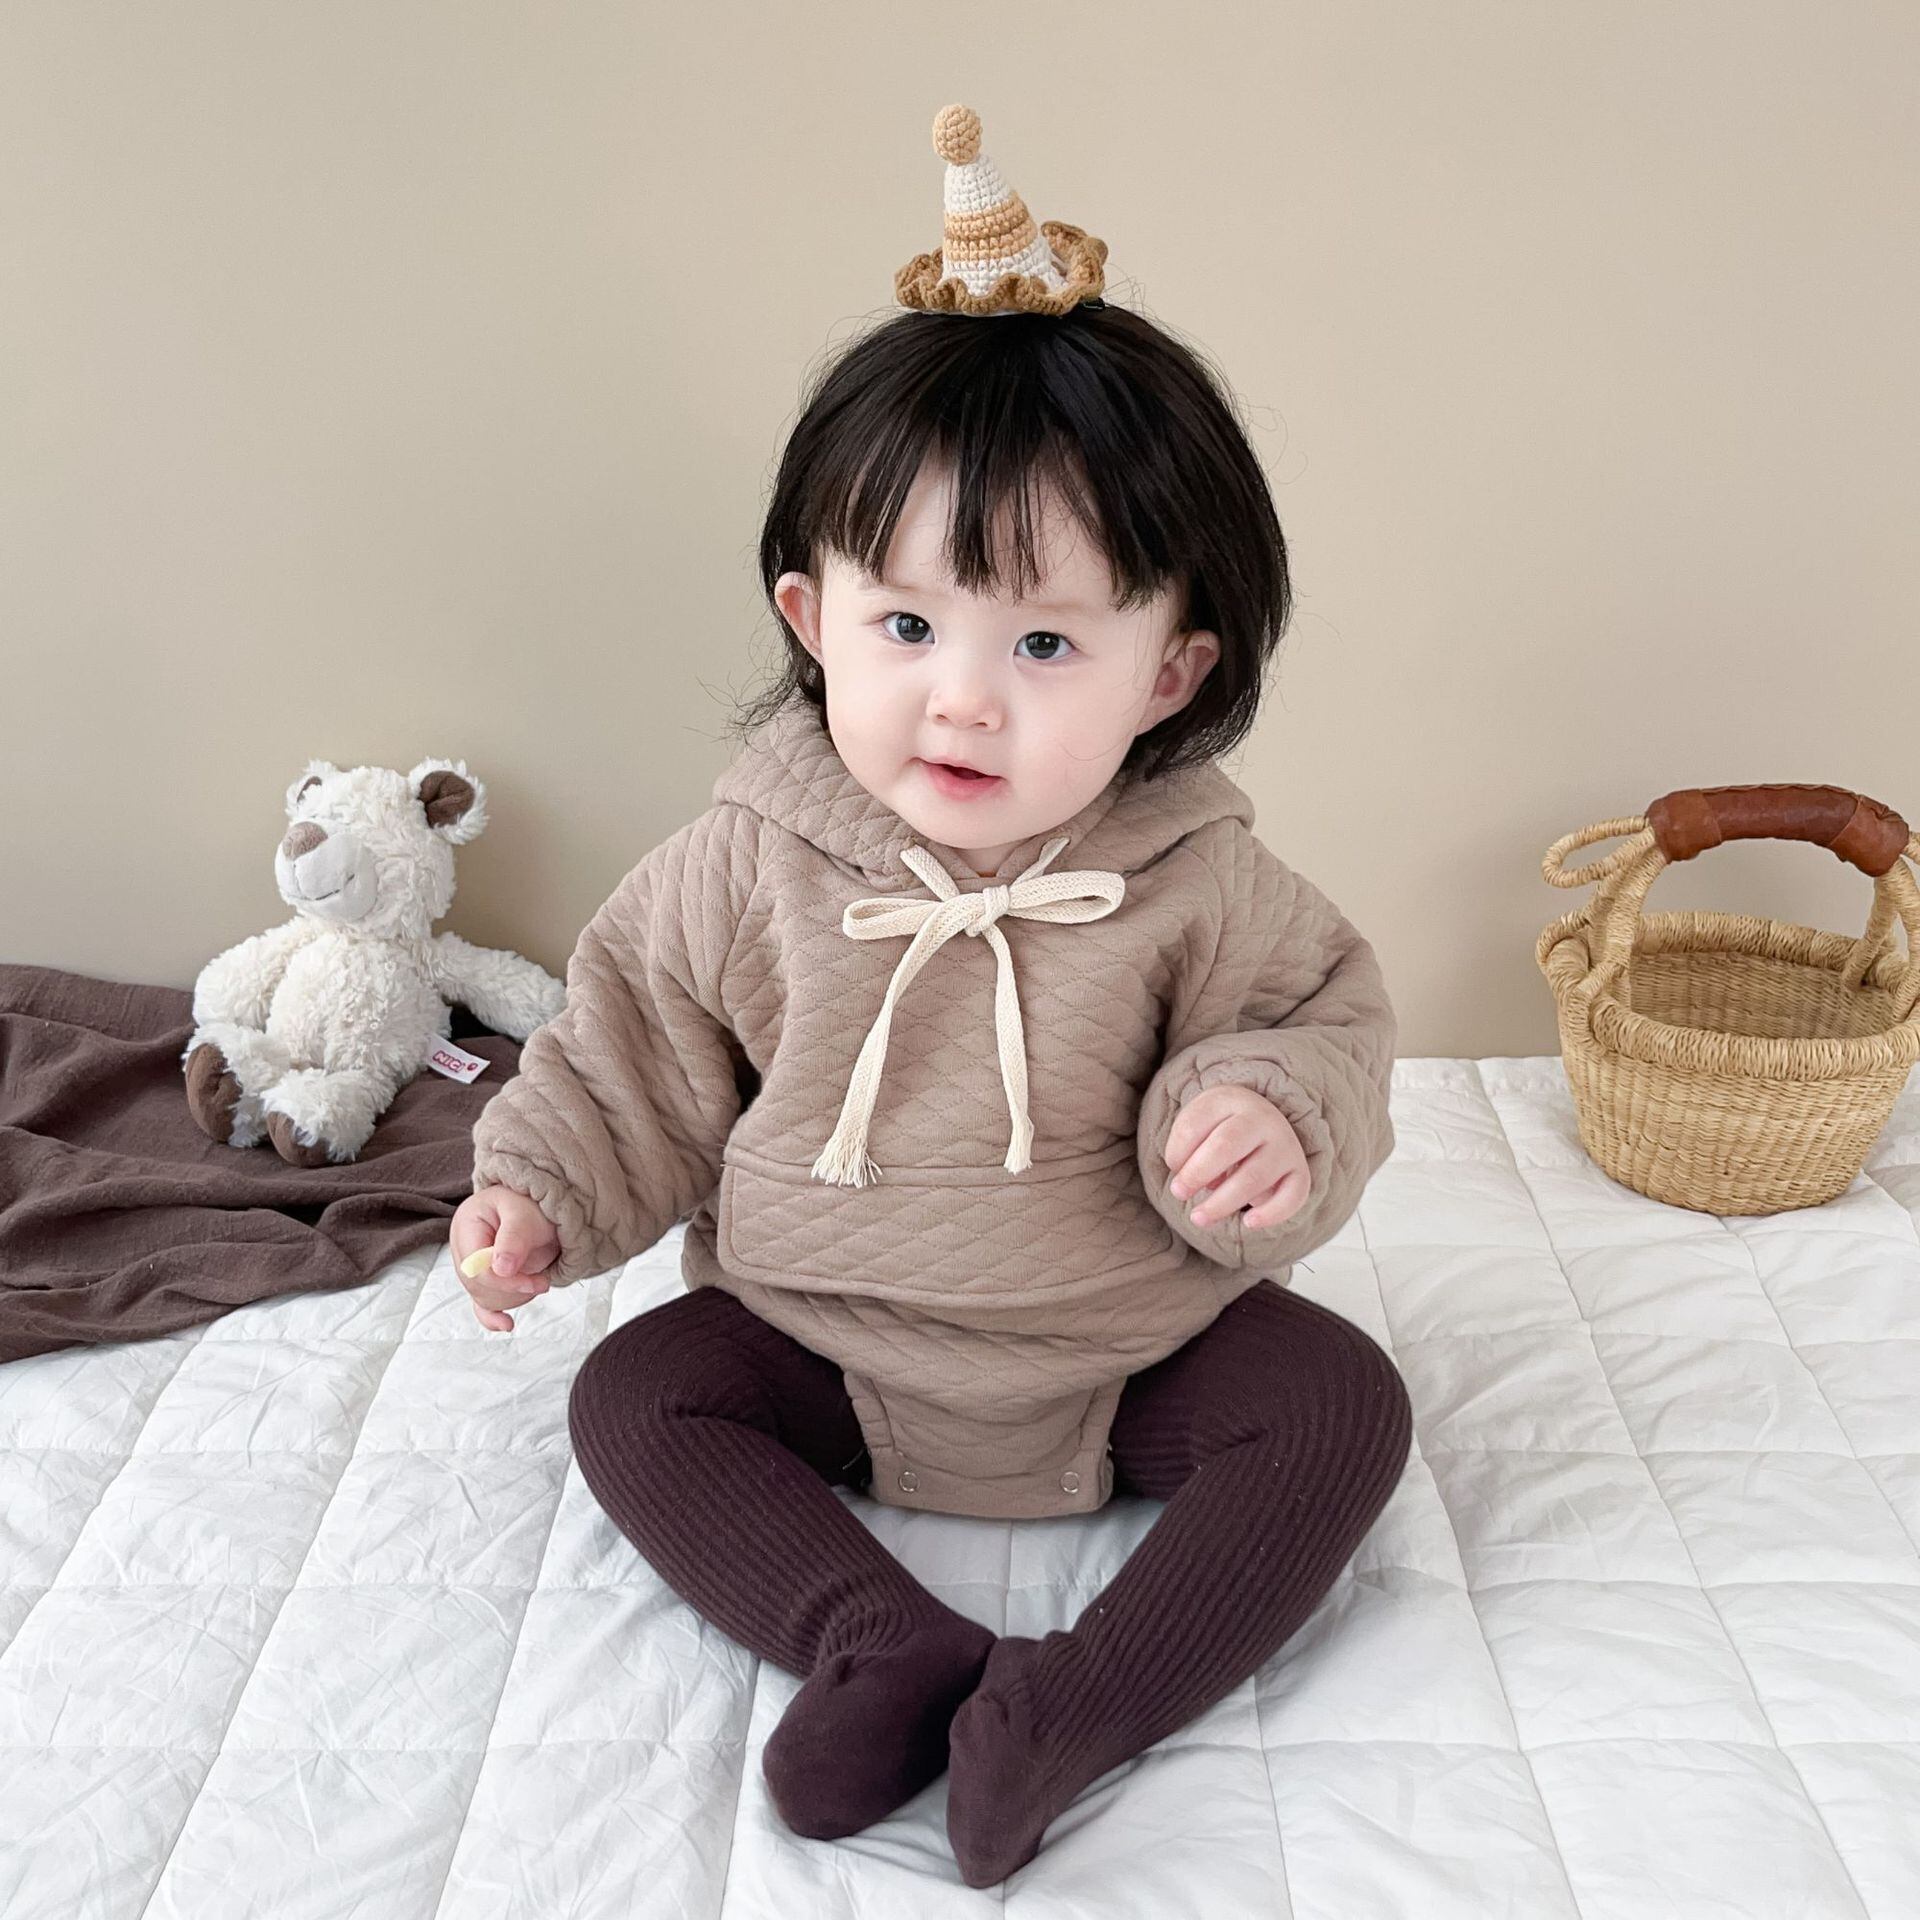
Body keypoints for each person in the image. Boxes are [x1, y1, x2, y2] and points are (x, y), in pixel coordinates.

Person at [449, 104, 1413, 1889]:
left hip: (1130, 1353)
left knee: (1345, 1407)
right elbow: (627, 1055)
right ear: (810, 619)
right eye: (907, 628)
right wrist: (542, 1194)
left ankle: (1076, 1702)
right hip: (819, 1344)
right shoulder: (746, 863)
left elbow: (1324, 1025)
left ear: (1169, 671)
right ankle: (873, 1640)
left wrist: (1267, 1114)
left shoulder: (1199, 878)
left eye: (1044, 643)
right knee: (631, 1398)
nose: (963, 698)